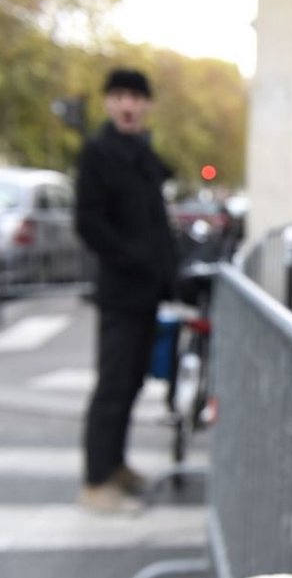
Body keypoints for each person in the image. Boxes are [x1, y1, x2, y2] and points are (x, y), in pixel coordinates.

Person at [75, 68, 177, 514]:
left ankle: (114, 464)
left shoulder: (142, 153)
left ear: (146, 104)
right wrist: (133, 258)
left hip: (147, 290)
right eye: (119, 96)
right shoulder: (98, 152)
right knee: (113, 385)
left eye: (135, 96)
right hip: (121, 289)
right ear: (108, 103)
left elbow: (156, 222)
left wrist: (169, 273)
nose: (127, 105)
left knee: (133, 380)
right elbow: (88, 222)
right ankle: (96, 482)